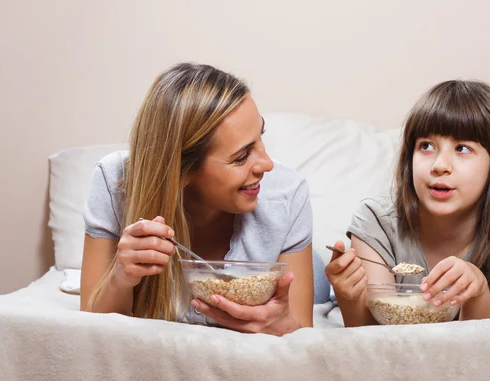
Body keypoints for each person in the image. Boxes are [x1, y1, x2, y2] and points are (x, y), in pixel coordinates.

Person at [80, 63, 315, 336]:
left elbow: (302, 337)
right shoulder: (113, 182)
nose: (267, 164)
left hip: (300, 258)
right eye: (241, 156)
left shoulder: (287, 194)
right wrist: (121, 277)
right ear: (181, 172)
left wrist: (282, 325)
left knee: (323, 286)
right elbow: (90, 328)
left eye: (260, 136)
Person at [325, 80, 490, 327]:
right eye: (426, 146)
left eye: (462, 149)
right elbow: (370, 340)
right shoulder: (377, 222)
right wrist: (349, 298)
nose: (440, 165)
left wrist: (478, 293)